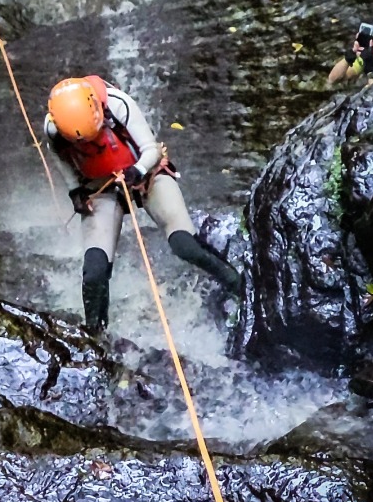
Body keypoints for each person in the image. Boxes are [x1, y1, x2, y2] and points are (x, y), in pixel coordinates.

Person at [45, 74, 241, 333]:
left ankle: (240, 287)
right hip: (101, 186)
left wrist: (136, 171)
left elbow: (151, 149)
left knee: (185, 246)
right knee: (94, 271)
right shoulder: (54, 128)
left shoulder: (118, 105)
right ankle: (95, 336)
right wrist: (75, 191)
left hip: (147, 175)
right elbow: (61, 158)